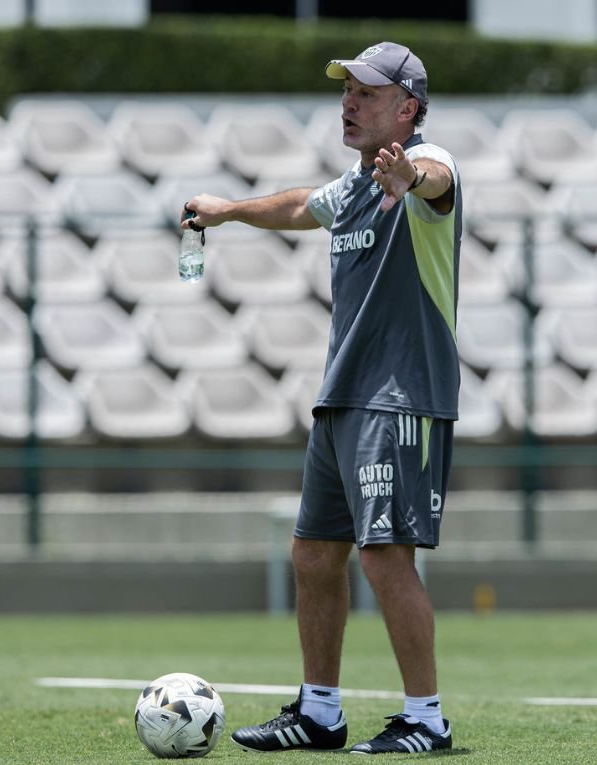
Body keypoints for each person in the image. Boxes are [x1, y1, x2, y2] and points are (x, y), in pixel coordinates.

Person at [183, 41, 461, 755]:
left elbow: (433, 181)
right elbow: (299, 205)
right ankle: (319, 711)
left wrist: (411, 171)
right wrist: (228, 210)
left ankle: (426, 717)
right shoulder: (356, 185)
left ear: (408, 107)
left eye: (366, 93)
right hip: (344, 396)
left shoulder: (431, 165)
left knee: (384, 556)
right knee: (312, 553)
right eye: (347, 91)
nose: (349, 101)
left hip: (399, 397)